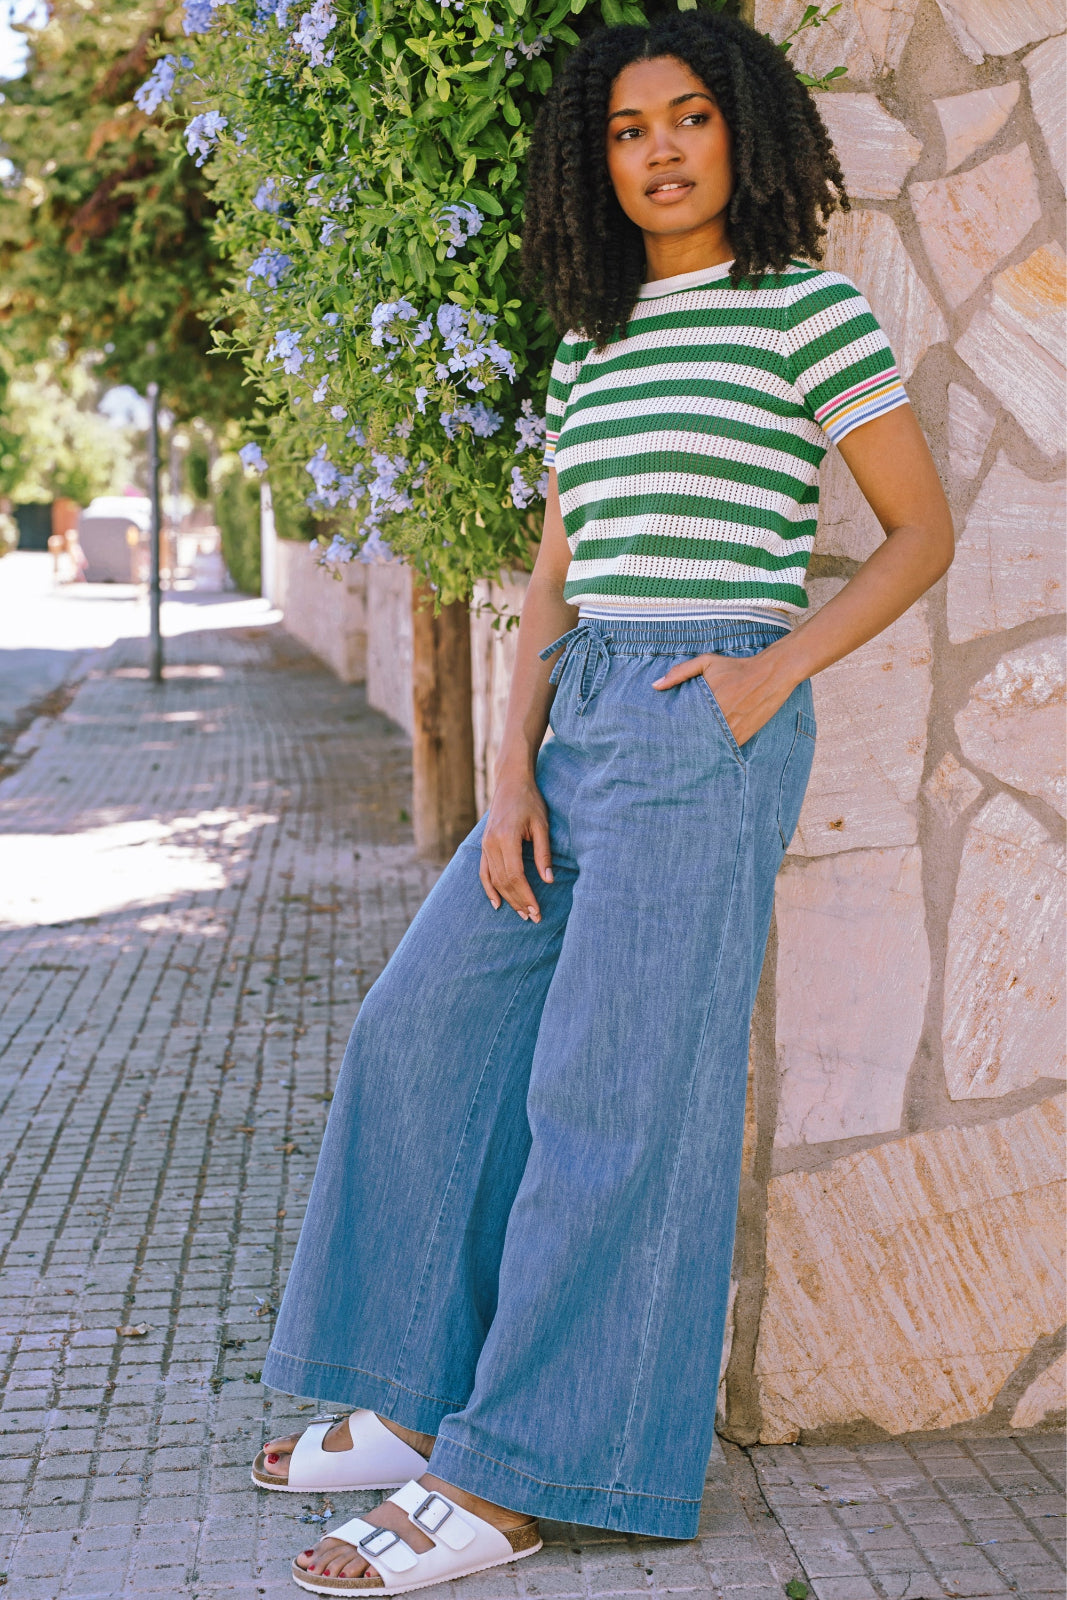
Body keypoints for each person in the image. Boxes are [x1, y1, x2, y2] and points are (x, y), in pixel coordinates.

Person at [256, 13, 954, 1594]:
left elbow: (922, 532)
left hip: (707, 723)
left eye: (690, 118)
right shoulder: (595, 339)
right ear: (601, 161)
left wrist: (766, 677)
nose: (660, 150)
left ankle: (529, 1474)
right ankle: (436, 1403)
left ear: (743, 136)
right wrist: (509, 767)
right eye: (631, 129)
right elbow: (556, 567)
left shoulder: (807, 316)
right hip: (573, 725)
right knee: (427, 1026)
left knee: (611, 1099)